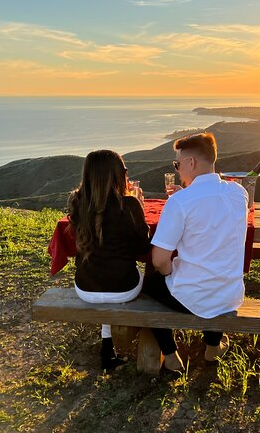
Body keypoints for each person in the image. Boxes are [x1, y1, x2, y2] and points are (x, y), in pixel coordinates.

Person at [143, 132, 248, 371]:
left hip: (193, 297)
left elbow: (160, 260)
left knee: (151, 277)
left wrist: (168, 273)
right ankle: (213, 346)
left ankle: (169, 354)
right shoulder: (239, 194)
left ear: (191, 163)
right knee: (215, 263)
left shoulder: (180, 202)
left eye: (177, 164)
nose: (178, 170)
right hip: (230, 295)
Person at [67, 150, 151, 372]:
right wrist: (139, 210)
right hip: (124, 289)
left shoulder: (78, 203)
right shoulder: (129, 205)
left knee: (105, 275)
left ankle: (107, 349)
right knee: (136, 277)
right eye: (124, 171)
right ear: (117, 175)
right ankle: (152, 338)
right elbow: (143, 249)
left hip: (85, 287)